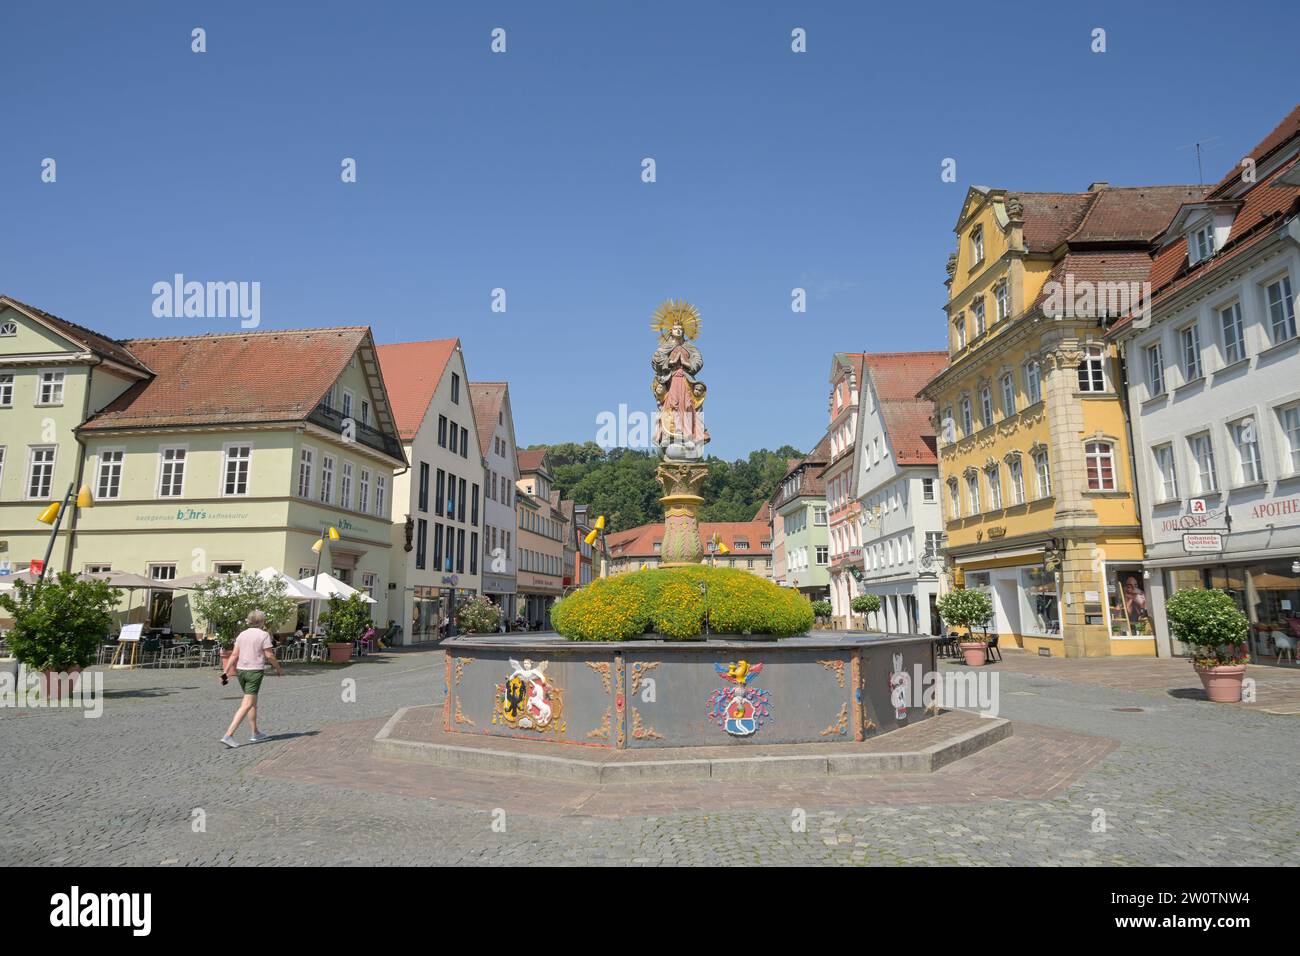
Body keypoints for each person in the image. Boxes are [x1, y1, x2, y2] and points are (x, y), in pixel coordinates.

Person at [220, 609, 283, 748]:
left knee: (252, 701)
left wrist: (225, 671)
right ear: (262, 621)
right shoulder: (264, 635)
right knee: (247, 704)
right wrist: (278, 668)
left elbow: (234, 654)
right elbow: (270, 655)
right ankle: (228, 735)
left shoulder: (242, 634)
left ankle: (255, 733)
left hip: (241, 671)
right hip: (254, 672)